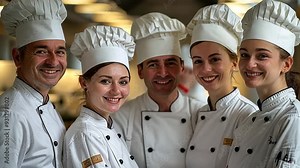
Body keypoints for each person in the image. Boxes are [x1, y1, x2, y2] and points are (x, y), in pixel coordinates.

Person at [111, 12, 204, 168]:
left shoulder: (201, 114)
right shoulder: (121, 117)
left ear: (182, 66)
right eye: (153, 64)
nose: (163, 72)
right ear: (140, 71)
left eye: (170, 63)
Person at [226, 0, 300, 167]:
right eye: (244, 55)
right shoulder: (251, 119)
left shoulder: (293, 119)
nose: (250, 64)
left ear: (286, 64)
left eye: (262, 56)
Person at [185, 4, 258, 168]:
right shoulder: (197, 115)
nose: (205, 69)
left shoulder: (248, 115)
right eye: (198, 61)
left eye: (215, 59)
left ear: (234, 62)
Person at [0, 0, 67, 167]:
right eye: (41, 51)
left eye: (60, 52)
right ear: (17, 58)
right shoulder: (10, 114)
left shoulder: (45, 104)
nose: (53, 61)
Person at [63, 25, 138, 168]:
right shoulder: (86, 134)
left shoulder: (106, 126)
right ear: (84, 83)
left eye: (123, 82)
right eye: (105, 81)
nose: (116, 90)